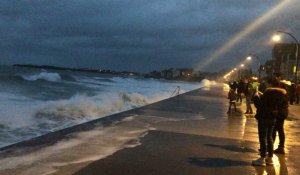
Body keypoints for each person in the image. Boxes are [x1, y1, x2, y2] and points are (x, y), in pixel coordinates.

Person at [252, 75, 288, 166]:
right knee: (270, 138)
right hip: (273, 118)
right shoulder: (281, 94)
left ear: (270, 84)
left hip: (264, 117)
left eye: (268, 84)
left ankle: (262, 158)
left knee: (262, 138)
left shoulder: (268, 93)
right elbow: (274, 104)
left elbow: (261, 105)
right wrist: (262, 94)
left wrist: (256, 97)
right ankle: (270, 158)